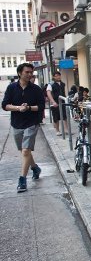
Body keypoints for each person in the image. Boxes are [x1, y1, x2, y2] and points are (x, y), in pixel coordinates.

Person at [1, 63, 45, 192]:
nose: (30, 74)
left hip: (32, 122)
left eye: (31, 72)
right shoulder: (11, 88)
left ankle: (22, 180)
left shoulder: (36, 89)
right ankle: (35, 168)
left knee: (26, 151)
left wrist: (28, 108)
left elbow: (41, 106)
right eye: (27, 72)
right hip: (16, 123)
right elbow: (5, 105)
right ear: (20, 73)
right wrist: (17, 108)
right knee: (24, 150)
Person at [46, 71, 69, 136]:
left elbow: (64, 92)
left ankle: (66, 130)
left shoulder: (62, 84)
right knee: (56, 117)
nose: (58, 77)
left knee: (65, 116)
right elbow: (48, 93)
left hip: (63, 102)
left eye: (59, 75)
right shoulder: (51, 84)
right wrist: (53, 101)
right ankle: (57, 130)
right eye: (56, 76)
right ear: (53, 77)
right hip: (55, 102)